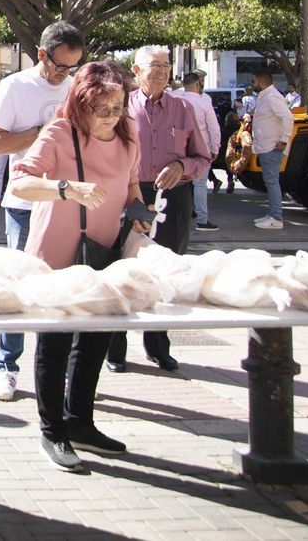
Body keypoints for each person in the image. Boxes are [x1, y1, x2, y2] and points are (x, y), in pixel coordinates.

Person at [9, 60, 144, 471]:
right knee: (55, 342)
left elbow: (132, 181)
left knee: (95, 342)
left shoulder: (128, 133)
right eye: (101, 108)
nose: (110, 117)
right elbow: (19, 182)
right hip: (58, 253)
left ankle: (80, 421)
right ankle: (52, 431)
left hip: (104, 251)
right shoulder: (59, 132)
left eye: (117, 107)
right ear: (81, 104)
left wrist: (139, 211)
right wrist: (66, 188)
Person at [0, 20, 85, 402]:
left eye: (72, 67)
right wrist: (42, 132)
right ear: (41, 54)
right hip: (25, 205)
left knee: (64, 290)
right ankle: (7, 368)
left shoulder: (76, 89)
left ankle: (56, 369)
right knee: (18, 290)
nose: (66, 74)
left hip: (68, 205)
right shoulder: (15, 87)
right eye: (60, 66)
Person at [107, 48, 210, 373]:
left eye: (167, 66)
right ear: (136, 70)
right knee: (122, 271)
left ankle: (158, 346)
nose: (163, 72)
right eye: (156, 66)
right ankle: (115, 350)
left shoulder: (183, 109)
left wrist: (182, 166)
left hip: (173, 197)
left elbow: (202, 158)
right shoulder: (122, 110)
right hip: (131, 194)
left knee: (166, 273)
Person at [249, 66, 296, 230]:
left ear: (261, 82)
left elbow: (288, 118)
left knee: (272, 182)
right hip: (266, 146)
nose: (252, 84)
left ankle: (276, 217)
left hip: (272, 146)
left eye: (253, 81)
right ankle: (273, 214)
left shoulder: (272, 96)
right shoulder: (266, 96)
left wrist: (283, 140)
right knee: (270, 182)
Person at [178, 72, 223, 232]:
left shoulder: (176, 99)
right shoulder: (204, 102)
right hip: (201, 146)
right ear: (197, 84)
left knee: (179, 183)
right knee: (200, 185)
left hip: (179, 147)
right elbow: (214, 127)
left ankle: (180, 217)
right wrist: (215, 148)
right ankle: (202, 220)